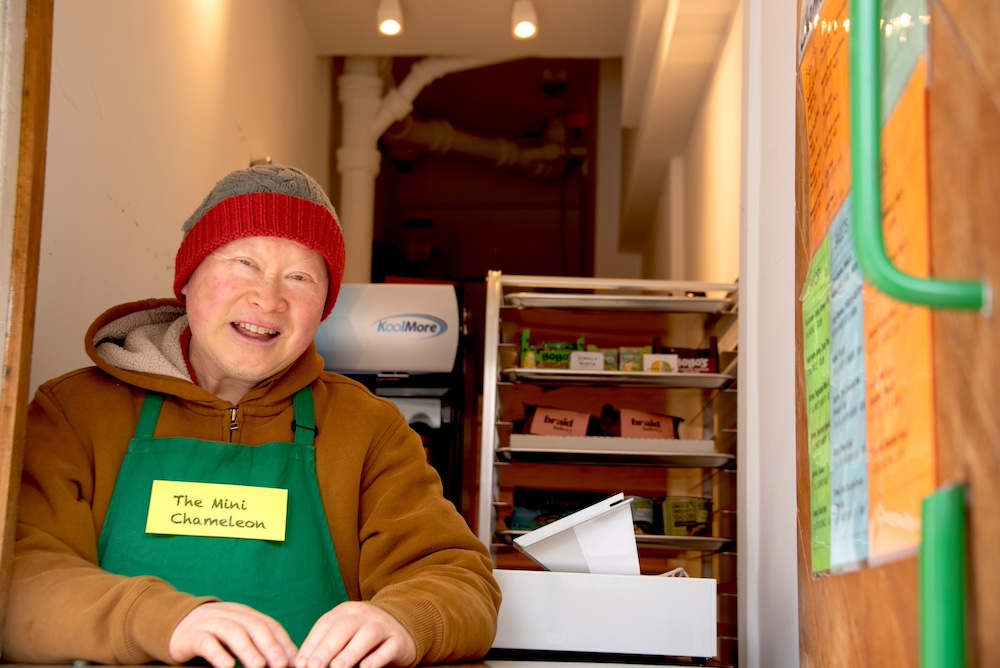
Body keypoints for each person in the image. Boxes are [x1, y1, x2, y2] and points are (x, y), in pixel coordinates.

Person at [4, 165, 501, 668]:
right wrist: (161, 621)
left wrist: (406, 620)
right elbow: (19, 577)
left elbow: (457, 578)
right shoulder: (74, 412)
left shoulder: (369, 430)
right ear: (188, 276)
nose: (268, 299)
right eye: (244, 262)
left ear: (323, 306)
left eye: (300, 277)